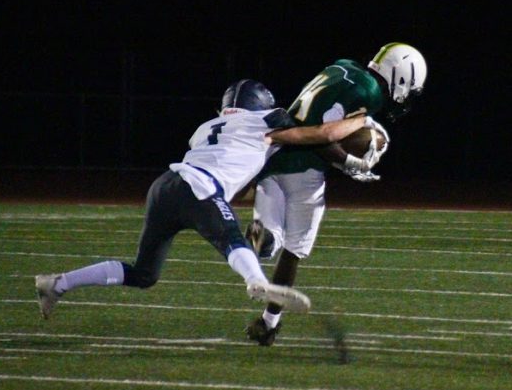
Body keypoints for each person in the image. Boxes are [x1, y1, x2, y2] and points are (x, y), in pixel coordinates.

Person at [34, 79, 377, 320]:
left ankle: (58, 283)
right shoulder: (268, 120)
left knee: (143, 274)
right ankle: (257, 282)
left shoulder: (206, 127)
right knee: (231, 239)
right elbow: (324, 135)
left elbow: (238, 173)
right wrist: (361, 121)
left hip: (165, 188)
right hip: (199, 189)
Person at [244, 42, 427, 346]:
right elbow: (320, 133)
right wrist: (349, 162)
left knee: (270, 244)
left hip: (273, 159)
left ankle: (259, 241)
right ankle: (268, 323)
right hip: (305, 167)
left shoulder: (344, 65)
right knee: (295, 249)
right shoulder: (369, 93)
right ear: (401, 76)